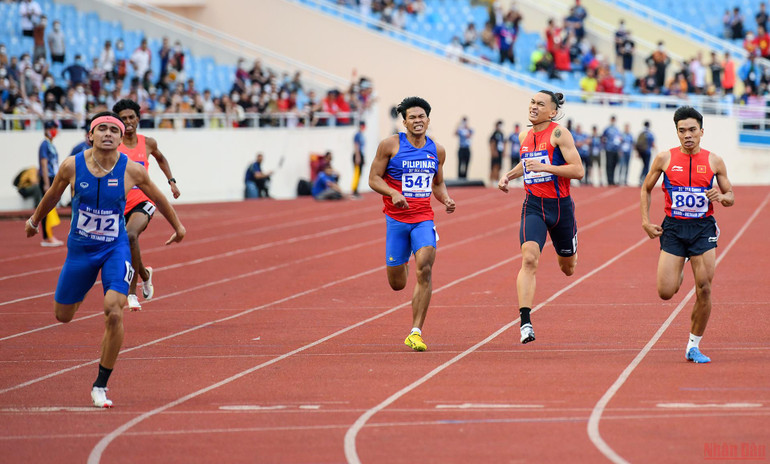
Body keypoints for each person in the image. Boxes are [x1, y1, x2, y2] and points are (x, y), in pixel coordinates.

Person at [25, 111, 186, 407]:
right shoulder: (72, 166)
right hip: (81, 252)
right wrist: (34, 221)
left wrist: (178, 226)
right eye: (103, 129)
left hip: (115, 248)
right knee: (63, 315)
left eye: (115, 129)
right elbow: (51, 195)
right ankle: (83, 285)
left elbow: (159, 197)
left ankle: (101, 384)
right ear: (91, 136)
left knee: (114, 310)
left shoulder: (132, 170)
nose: (109, 134)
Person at [640, 106, 734, 364]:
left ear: (702, 131)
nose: (687, 135)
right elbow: (646, 188)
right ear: (677, 133)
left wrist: (722, 196)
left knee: (704, 288)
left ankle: (693, 345)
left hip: (703, 229)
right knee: (665, 292)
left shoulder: (714, 161)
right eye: (682, 131)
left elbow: (731, 197)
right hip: (673, 228)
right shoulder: (664, 159)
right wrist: (646, 222)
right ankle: (679, 265)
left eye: (692, 130)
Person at [368, 96, 455, 351]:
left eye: (422, 117)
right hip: (396, 220)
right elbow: (373, 178)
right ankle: (401, 259)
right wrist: (393, 193)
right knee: (398, 284)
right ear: (404, 122)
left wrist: (446, 199)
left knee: (425, 268)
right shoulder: (390, 145)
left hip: (423, 218)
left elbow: (437, 183)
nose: (418, 121)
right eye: (412, 117)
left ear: (428, 119)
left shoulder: (437, 150)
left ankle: (415, 332)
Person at [498, 90, 584, 344]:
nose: (534, 107)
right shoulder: (524, 135)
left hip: (560, 209)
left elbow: (578, 170)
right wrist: (508, 176)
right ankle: (525, 322)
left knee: (567, 268)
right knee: (529, 259)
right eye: (532, 103)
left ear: (553, 111)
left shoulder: (560, 134)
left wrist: (546, 166)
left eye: (540, 104)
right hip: (533, 206)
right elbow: (526, 164)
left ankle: (571, 244)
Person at [113, 99, 181, 311]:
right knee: (126, 242)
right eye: (123, 119)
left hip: (144, 200)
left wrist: (171, 181)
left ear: (138, 119)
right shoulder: (113, 144)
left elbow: (161, 159)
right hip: (118, 203)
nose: (128, 121)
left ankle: (131, 293)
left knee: (131, 235)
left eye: (131, 117)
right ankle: (144, 273)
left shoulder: (148, 143)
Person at [38, 120, 63, 247]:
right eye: (53, 128)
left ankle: (49, 235)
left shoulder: (50, 144)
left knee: (51, 207)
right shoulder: (44, 145)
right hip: (47, 178)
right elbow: (44, 163)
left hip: (52, 177)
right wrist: (47, 183)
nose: (55, 131)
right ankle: (47, 237)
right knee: (46, 207)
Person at [636, 120, 655, 185]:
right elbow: (653, 144)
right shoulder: (650, 134)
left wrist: (638, 152)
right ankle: (644, 179)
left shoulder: (641, 133)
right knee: (646, 166)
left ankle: (641, 178)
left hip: (642, 152)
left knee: (644, 165)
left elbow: (637, 143)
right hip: (648, 152)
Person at [351, 121, 366, 197]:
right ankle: (354, 190)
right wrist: (358, 156)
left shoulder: (361, 134)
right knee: (356, 173)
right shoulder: (357, 135)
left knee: (359, 174)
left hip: (361, 154)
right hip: (358, 154)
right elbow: (356, 145)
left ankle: (356, 190)